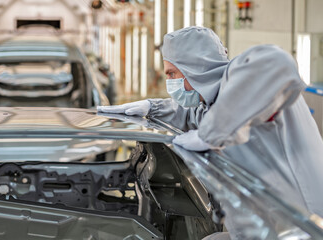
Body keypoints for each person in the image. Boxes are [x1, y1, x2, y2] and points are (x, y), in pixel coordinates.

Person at [98, 26, 323, 239]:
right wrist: (152, 107)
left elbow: (278, 64)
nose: (169, 82)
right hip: (265, 226)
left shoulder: (237, 80)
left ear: (194, 68)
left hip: (304, 224)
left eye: (171, 73)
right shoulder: (213, 105)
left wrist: (209, 134)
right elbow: (190, 115)